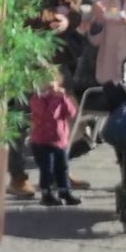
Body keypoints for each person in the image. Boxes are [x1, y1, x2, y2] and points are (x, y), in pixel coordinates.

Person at [29, 70, 79, 207]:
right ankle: (47, 193)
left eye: (54, 82)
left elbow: (72, 113)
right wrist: (54, 100)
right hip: (42, 141)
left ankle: (65, 191)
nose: (51, 86)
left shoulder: (60, 98)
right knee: (47, 169)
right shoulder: (37, 99)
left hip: (59, 140)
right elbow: (48, 115)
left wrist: (64, 99)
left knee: (62, 167)